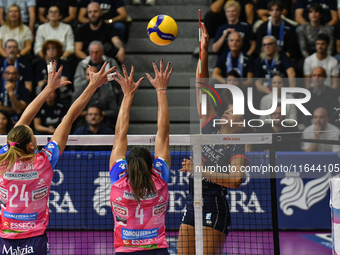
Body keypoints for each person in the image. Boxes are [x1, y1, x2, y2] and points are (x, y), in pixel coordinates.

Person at [0, 60, 116, 253]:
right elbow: (69, 117)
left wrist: (48, 88)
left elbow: (23, 121)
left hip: (5, 240)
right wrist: (92, 86)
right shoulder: (43, 162)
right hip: (35, 239)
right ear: (31, 145)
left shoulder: (3, 158)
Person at [178, 23, 248, 255]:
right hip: (192, 201)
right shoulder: (209, 125)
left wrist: (200, 170)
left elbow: (236, 179)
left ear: (240, 124)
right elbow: (202, 86)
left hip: (214, 207)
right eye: (226, 109)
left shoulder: (238, 146)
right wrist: (204, 51)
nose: (226, 111)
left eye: (232, 112)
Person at [109, 60, 173, 254]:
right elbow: (163, 134)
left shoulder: (119, 179)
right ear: (152, 164)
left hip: (125, 250)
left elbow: (120, 133)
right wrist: (161, 90)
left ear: (127, 165)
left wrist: (128, 94)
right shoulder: (160, 177)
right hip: (157, 250)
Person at [34, 40, 72, 108]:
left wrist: (50, 81)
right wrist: (48, 81)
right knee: (38, 89)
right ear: (45, 51)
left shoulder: (64, 64)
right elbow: (39, 83)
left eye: (53, 48)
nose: (51, 50)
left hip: (59, 88)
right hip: (45, 88)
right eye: (48, 49)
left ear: (58, 50)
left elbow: (64, 81)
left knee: (64, 90)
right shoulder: (40, 65)